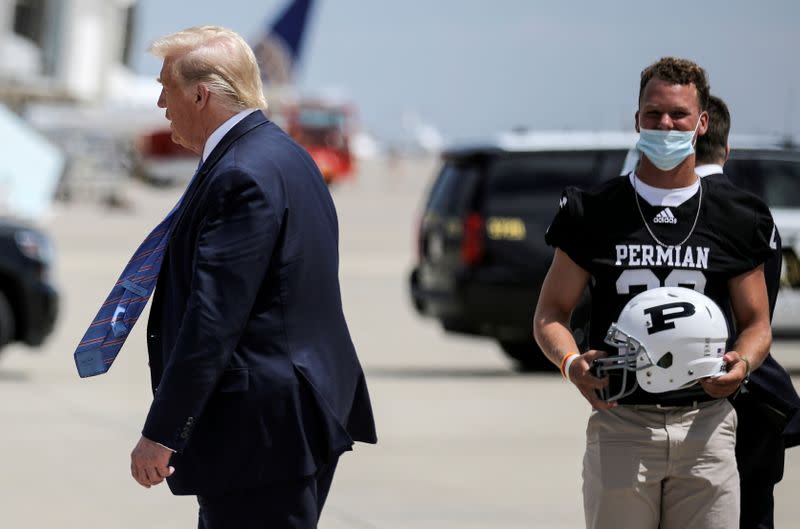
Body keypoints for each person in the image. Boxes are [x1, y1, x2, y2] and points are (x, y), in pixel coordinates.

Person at [78, 26, 376, 528]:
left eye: (164, 87)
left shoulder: (241, 174)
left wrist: (163, 432)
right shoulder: (284, 156)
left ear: (199, 93)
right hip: (290, 420)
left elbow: (213, 318)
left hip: (263, 431)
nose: (158, 102)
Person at [533, 57, 774, 529]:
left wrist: (742, 364)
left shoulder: (736, 215)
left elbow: (756, 324)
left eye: (678, 115)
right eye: (653, 114)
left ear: (702, 122)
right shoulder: (595, 211)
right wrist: (572, 363)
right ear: (637, 119)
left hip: (706, 425)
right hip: (623, 423)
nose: (665, 125)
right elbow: (550, 313)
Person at [695, 94, 800, 529]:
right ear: (728, 147)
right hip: (757, 391)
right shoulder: (755, 214)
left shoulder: (684, 211)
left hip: (702, 398)